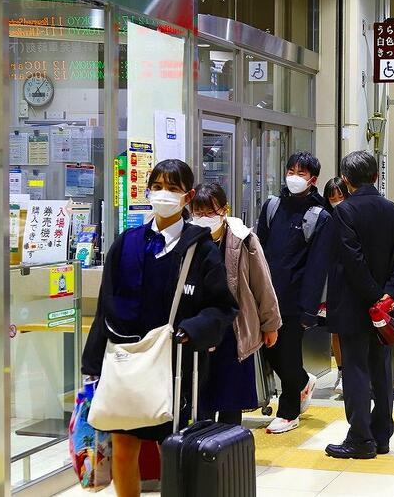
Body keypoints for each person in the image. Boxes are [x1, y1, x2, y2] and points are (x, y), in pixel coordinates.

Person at [81, 159, 237, 497]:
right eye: (158, 186)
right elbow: (107, 303)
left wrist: (193, 330)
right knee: (124, 444)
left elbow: (223, 306)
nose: (164, 194)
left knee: (175, 448)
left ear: (188, 196)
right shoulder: (127, 243)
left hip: (177, 366)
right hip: (127, 362)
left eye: (174, 188)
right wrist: (92, 365)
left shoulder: (201, 249)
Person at [325, 151, 394, 459]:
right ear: (376, 176)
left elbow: (353, 261)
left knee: (356, 372)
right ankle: (382, 436)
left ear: (346, 181)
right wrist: (388, 295)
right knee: (382, 370)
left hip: (354, 306)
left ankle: (361, 439)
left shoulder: (344, 212)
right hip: (386, 310)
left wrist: (373, 295)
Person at [191, 183, 281, 425]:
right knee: (202, 400)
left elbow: (262, 283)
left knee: (231, 401)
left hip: (234, 330)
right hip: (200, 330)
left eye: (210, 212)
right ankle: (202, 452)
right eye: (198, 212)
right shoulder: (188, 241)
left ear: (224, 210)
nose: (204, 218)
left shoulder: (244, 239)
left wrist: (270, 324)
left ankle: (228, 452)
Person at [256, 151, 333, 434]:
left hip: (295, 299)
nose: (294, 178)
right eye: (291, 171)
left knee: (286, 354)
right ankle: (302, 382)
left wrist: (309, 310)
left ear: (313, 180)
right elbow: (258, 251)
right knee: (269, 352)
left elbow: (317, 267)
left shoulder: (319, 216)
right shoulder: (272, 206)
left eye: (301, 174)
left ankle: (289, 412)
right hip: (267, 296)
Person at [324, 177, 351, 394]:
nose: (336, 201)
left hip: (352, 279)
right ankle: (342, 372)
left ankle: (353, 371)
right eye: (332, 198)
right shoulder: (325, 219)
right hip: (332, 280)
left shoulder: (354, 216)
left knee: (351, 329)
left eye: (340, 196)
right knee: (335, 330)